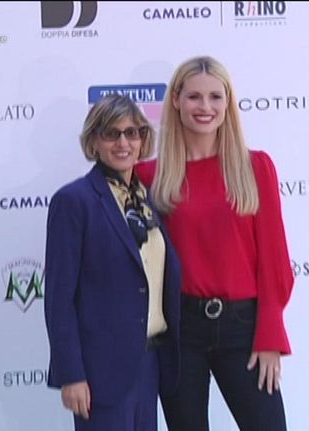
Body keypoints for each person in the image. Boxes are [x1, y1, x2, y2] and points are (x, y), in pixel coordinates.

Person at [135, 56, 294, 431]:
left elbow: (275, 260)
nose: (204, 107)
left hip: (244, 328)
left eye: (215, 97)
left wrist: (270, 335)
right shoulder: (149, 176)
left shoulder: (255, 168)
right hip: (180, 330)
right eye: (194, 96)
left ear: (228, 103)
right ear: (176, 100)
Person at [44, 94, 182, 431]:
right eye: (111, 133)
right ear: (94, 141)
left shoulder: (149, 198)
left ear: (143, 139)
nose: (123, 143)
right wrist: (71, 375)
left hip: (150, 364)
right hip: (100, 372)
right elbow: (59, 300)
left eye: (132, 133)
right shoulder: (73, 201)